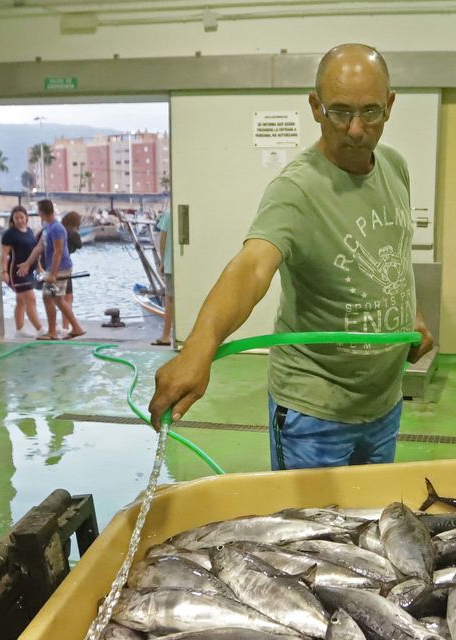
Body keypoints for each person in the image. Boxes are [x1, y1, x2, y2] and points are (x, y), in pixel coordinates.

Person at [148, 43, 432, 469]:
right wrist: (198, 349)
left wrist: (413, 316)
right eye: (340, 112)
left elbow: (393, 250)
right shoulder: (296, 190)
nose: (356, 129)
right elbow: (252, 268)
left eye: (370, 112)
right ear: (316, 107)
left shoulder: (394, 167)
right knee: (309, 516)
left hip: (384, 404)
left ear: (389, 105)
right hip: (315, 414)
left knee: (373, 512)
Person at [17, 198, 85, 340]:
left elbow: (58, 252)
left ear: (42, 212)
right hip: (53, 268)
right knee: (58, 300)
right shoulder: (47, 227)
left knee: (48, 297)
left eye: (38, 211)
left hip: (61, 268)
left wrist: (53, 274)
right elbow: (39, 247)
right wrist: (27, 263)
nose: (38, 213)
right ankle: (76, 328)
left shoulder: (57, 228)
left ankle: (53, 332)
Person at [0, 205, 40, 335]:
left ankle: (19, 329)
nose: (19, 220)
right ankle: (40, 329)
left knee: (21, 301)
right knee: (31, 299)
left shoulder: (29, 231)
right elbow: (4, 254)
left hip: (29, 272)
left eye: (22, 217)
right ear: (12, 219)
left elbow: (34, 252)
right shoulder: (9, 234)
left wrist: (39, 268)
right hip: (17, 273)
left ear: (26, 217)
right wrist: (4, 272)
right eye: (16, 218)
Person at [153, 207, 174, 346]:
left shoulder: (168, 214)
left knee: (170, 300)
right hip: (185, 265)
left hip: (171, 264)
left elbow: (163, 240)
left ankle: (166, 335)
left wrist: (162, 262)